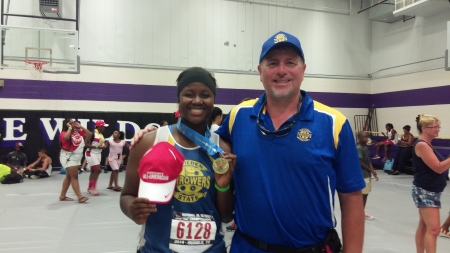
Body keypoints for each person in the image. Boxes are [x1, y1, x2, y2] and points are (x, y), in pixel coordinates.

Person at [131, 32, 365, 252]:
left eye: (290, 62)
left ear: (303, 70)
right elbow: (196, 135)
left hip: (311, 247)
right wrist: (152, 133)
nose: (281, 70)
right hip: (248, 246)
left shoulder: (334, 124)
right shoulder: (239, 117)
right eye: (272, 63)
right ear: (260, 71)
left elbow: (352, 197)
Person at [120, 67, 236, 253]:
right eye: (189, 94)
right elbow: (126, 195)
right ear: (179, 99)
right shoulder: (150, 141)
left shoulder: (221, 149)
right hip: (156, 249)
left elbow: (225, 216)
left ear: (213, 100)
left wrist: (222, 186)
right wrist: (133, 209)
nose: (197, 100)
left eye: (205, 94)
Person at [412, 114, 450, 253]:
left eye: (438, 126)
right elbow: (439, 167)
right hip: (426, 191)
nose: (438, 129)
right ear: (424, 128)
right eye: (435, 127)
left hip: (430, 190)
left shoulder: (427, 145)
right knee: (433, 229)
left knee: (424, 226)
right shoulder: (422, 145)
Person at [59, 118, 91, 203]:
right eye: (71, 123)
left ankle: (62, 196)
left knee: (69, 177)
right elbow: (66, 138)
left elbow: (89, 134)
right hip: (69, 157)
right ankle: (80, 197)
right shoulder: (63, 133)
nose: (73, 124)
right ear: (67, 124)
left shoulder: (77, 132)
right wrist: (69, 128)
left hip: (77, 156)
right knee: (74, 177)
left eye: (73, 122)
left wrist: (80, 126)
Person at [357, 131, 379, 220]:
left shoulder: (365, 147)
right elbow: (360, 163)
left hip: (367, 174)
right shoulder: (358, 148)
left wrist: (373, 171)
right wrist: (370, 170)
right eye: (365, 137)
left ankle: (362, 212)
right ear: (360, 138)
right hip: (362, 174)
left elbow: (368, 160)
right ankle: (360, 213)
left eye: (367, 137)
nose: (367, 139)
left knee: (365, 194)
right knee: (362, 194)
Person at [85, 120, 109, 196]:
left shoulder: (101, 135)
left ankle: (90, 188)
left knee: (93, 170)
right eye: (103, 126)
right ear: (99, 126)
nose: (104, 128)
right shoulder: (91, 134)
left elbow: (100, 145)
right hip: (91, 153)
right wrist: (96, 147)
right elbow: (86, 144)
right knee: (97, 169)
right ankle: (92, 188)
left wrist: (104, 146)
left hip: (98, 153)